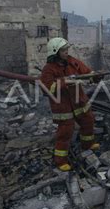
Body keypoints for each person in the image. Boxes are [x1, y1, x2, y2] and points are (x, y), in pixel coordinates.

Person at [40, 37, 102, 171]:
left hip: (78, 100)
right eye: (63, 50)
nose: (67, 52)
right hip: (63, 105)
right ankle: (60, 161)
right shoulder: (48, 69)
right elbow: (46, 88)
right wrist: (64, 82)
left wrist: (95, 76)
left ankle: (88, 145)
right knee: (65, 132)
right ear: (55, 52)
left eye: (67, 49)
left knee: (88, 120)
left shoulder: (72, 62)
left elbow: (86, 72)